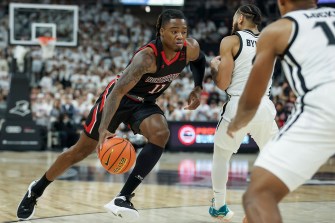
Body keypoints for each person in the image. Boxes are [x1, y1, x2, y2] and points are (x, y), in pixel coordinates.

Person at [17, 9, 206, 221]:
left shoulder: (190, 48)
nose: (180, 35)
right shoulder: (147, 58)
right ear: (161, 32)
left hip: (145, 103)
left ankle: (123, 197)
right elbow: (117, 92)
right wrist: (104, 128)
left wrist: (197, 88)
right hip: (118, 99)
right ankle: (37, 189)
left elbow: (200, 61)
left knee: (161, 134)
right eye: (174, 31)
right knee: (80, 151)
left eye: (183, 31)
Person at [226, 1, 335, 223]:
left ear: (281, 2)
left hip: (325, 106)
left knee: (259, 195)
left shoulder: (278, 30)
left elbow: (250, 101)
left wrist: (237, 122)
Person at [208, 4, 278, 221]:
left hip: (239, 104)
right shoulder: (271, 39)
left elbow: (223, 83)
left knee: (221, 155)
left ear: (239, 20)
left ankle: (219, 205)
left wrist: (213, 68)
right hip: (264, 105)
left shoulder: (231, 41)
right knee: (274, 159)